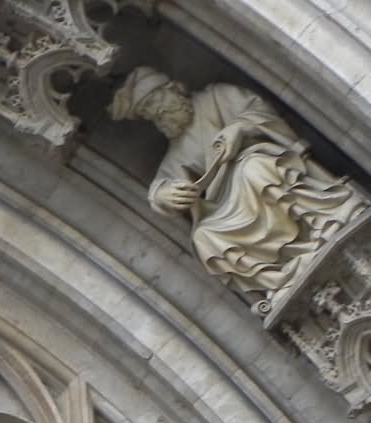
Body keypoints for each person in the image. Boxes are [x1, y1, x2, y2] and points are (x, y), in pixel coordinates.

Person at [109, 68, 366, 302]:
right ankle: (278, 279)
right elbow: (160, 187)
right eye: (147, 112)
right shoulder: (176, 153)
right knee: (203, 237)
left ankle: (321, 225)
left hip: (260, 167)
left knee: (253, 169)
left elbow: (260, 111)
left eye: (154, 102)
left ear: (173, 89)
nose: (156, 113)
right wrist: (163, 196)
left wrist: (240, 129)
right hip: (228, 207)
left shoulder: (216, 97)